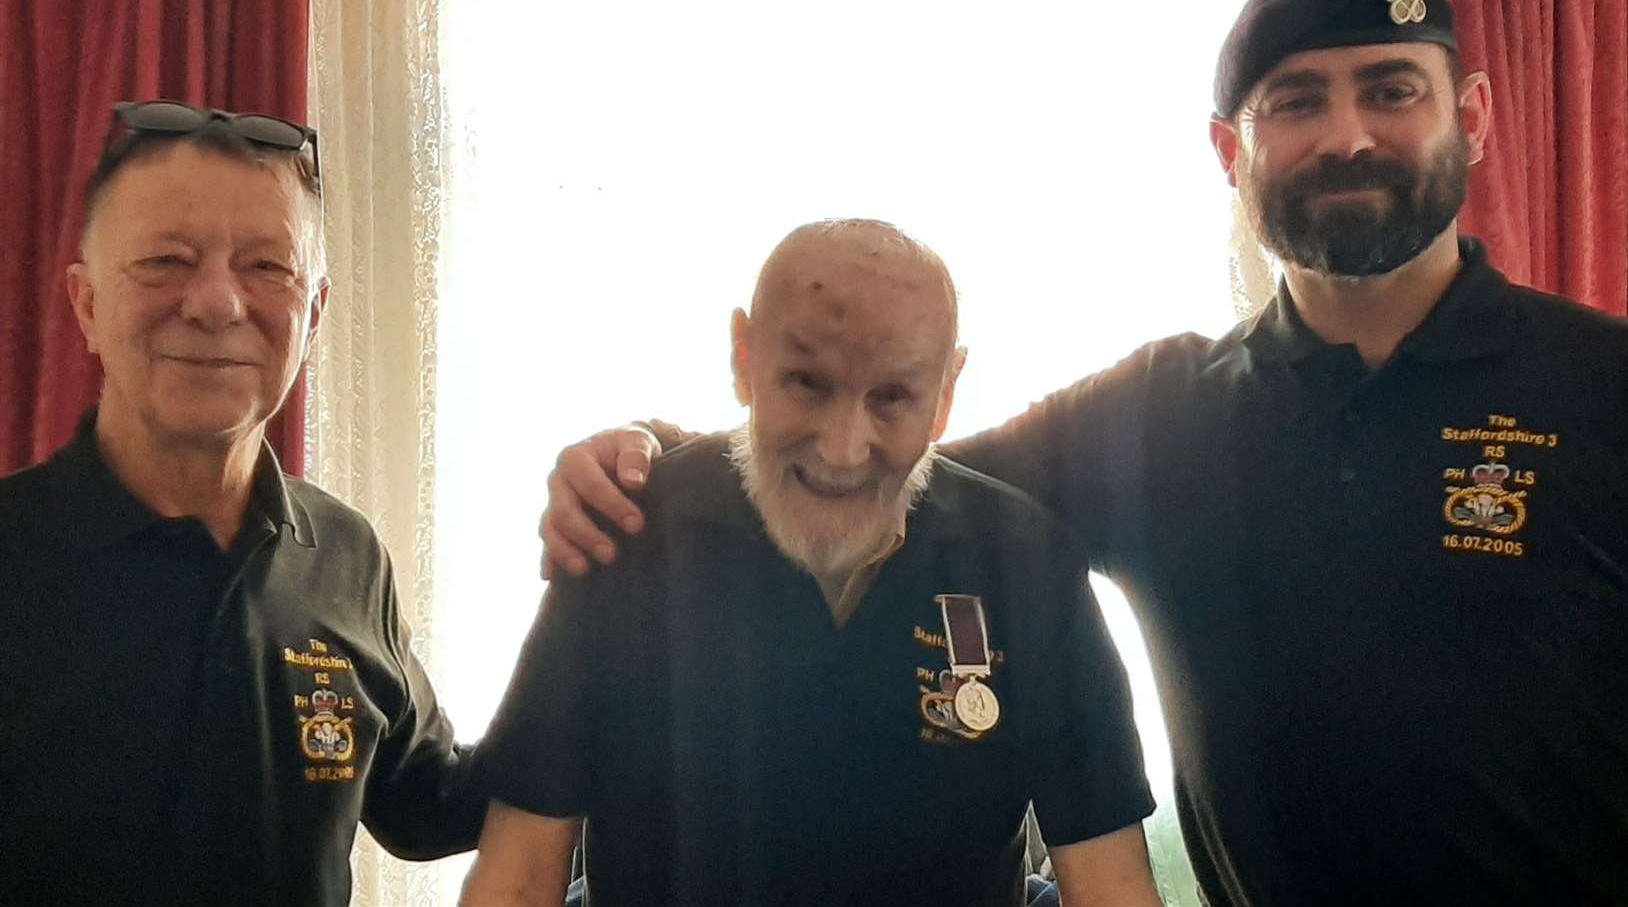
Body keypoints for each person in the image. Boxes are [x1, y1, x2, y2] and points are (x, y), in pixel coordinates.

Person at [537, 0, 1628, 905]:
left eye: (1390, 90)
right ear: (1228, 152)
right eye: (1295, 102)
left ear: (1472, 115)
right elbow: (875, 477)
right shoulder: (1154, 414)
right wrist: (649, 453)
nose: (1346, 134)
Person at [461, 220, 1162, 907]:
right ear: (744, 358)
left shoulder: (1027, 560)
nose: (843, 449)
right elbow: (519, 878)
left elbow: (1112, 885)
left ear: (946, 393)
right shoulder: (627, 535)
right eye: (806, 382)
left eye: (893, 397)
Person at [0, 101, 483, 906]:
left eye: (268, 267)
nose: (218, 303)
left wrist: (610, 599)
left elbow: (430, 808)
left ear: (314, 314)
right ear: (86, 306)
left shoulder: (345, 555)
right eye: (165, 261)